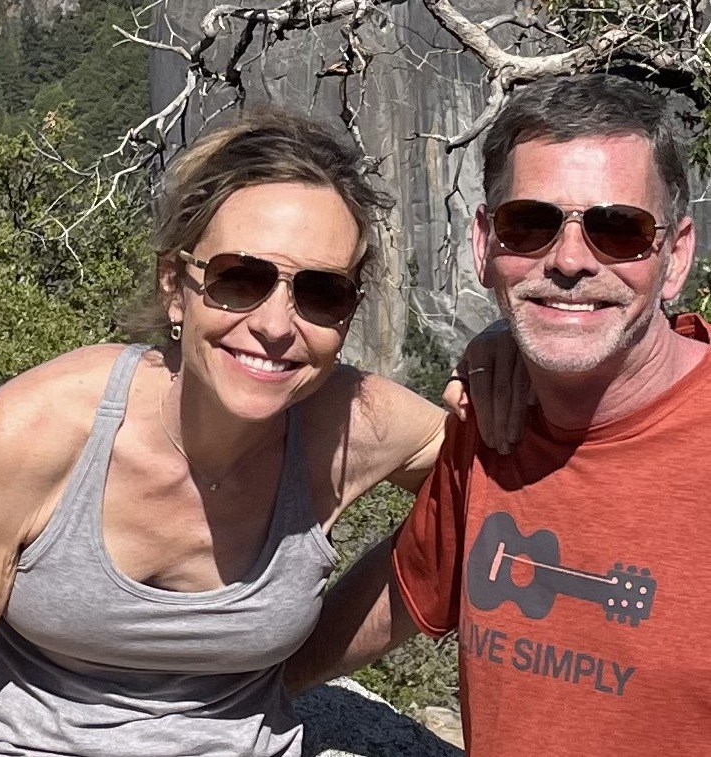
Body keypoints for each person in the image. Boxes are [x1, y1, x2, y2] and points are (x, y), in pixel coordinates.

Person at [0, 109, 519, 757]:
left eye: (321, 292)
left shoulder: (354, 426)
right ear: (175, 288)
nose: (276, 324)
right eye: (239, 278)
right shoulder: (38, 432)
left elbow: (495, 489)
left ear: (348, 314)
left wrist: (506, 352)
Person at [285, 74, 711, 755]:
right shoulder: (491, 420)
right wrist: (236, 693)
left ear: (676, 253)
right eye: (531, 224)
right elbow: (406, 582)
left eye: (617, 229)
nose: (570, 259)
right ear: (486, 244)